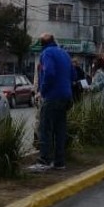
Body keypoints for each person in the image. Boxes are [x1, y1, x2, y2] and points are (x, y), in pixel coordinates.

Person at [29, 33, 74, 172]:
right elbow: (74, 74)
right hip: (66, 97)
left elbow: (49, 73)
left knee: (45, 129)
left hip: (52, 97)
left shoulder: (46, 53)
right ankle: (59, 162)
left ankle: (44, 161)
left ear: (42, 44)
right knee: (60, 130)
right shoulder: (64, 53)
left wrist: (42, 90)